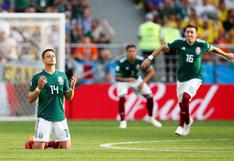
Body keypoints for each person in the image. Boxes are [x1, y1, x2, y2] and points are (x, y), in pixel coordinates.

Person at [141, 24, 234, 136]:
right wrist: (149, 58)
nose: (189, 34)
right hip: (181, 78)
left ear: (196, 34)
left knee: (186, 97)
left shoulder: (201, 44)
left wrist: (226, 54)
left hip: (195, 78)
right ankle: (187, 120)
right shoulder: (179, 43)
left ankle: (183, 125)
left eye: (192, 32)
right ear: (184, 34)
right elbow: (162, 47)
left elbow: (213, 49)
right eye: (187, 32)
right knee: (182, 104)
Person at [25, 49, 78, 149]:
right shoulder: (37, 77)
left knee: (66, 146)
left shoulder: (62, 76)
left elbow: (69, 97)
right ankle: (30, 142)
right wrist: (39, 88)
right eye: (48, 56)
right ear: (43, 60)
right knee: (39, 147)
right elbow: (30, 99)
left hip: (60, 116)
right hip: (44, 116)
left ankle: (49, 143)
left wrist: (73, 87)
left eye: (53, 56)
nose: (52, 57)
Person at [115, 44, 162, 129]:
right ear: (126, 52)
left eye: (133, 51)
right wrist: (127, 79)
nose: (132, 53)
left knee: (150, 97)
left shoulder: (140, 60)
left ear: (136, 52)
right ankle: (122, 121)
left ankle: (150, 118)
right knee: (122, 97)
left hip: (137, 80)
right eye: (130, 51)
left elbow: (152, 72)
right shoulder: (122, 62)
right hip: (124, 81)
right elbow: (117, 77)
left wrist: (143, 82)